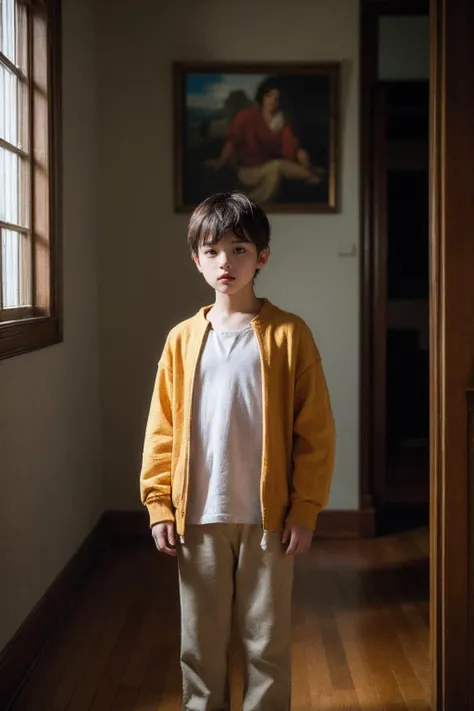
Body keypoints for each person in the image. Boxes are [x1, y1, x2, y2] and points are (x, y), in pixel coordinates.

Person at [140, 191, 335, 711]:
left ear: (262, 256)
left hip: (268, 520)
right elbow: (162, 429)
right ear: (197, 259)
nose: (225, 261)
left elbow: (314, 431)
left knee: (265, 646)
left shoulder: (290, 335)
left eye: (239, 248)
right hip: (197, 518)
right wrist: (160, 503)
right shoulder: (181, 340)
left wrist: (305, 508)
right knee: (199, 648)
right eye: (212, 250)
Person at [206, 78, 323, 203]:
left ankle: (310, 175)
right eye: (269, 96)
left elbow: (291, 148)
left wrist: (301, 156)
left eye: (277, 98)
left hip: (270, 169)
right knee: (276, 166)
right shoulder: (247, 116)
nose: (273, 101)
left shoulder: (281, 121)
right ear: (262, 97)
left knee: (277, 168)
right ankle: (310, 175)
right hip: (248, 171)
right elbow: (232, 141)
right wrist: (222, 160)